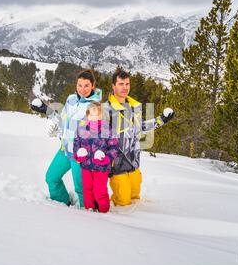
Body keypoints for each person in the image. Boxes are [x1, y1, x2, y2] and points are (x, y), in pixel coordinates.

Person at [31, 70, 102, 207]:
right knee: (51, 178)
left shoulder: (95, 106)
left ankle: (89, 215)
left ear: (93, 86)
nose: (82, 89)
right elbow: (63, 120)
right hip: (65, 150)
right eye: (79, 85)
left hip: (81, 155)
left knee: (82, 189)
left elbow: (94, 134)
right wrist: (46, 110)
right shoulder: (71, 99)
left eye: (86, 85)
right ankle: (61, 204)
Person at [105, 70, 175, 206]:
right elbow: (100, 139)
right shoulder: (106, 109)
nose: (125, 87)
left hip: (133, 163)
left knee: (135, 198)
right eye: (121, 84)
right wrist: (106, 164)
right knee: (122, 202)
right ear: (113, 86)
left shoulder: (134, 106)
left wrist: (161, 120)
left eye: (127, 84)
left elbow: (140, 126)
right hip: (117, 166)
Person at [73, 102, 119, 213]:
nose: (94, 118)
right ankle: (89, 209)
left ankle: (104, 210)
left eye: (97, 115)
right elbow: (76, 144)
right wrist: (78, 155)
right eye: (91, 115)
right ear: (87, 115)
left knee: (99, 191)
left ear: (101, 115)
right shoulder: (82, 129)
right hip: (86, 166)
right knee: (87, 189)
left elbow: (114, 147)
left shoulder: (107, 130)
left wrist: (107, 158)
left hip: (101, 168)